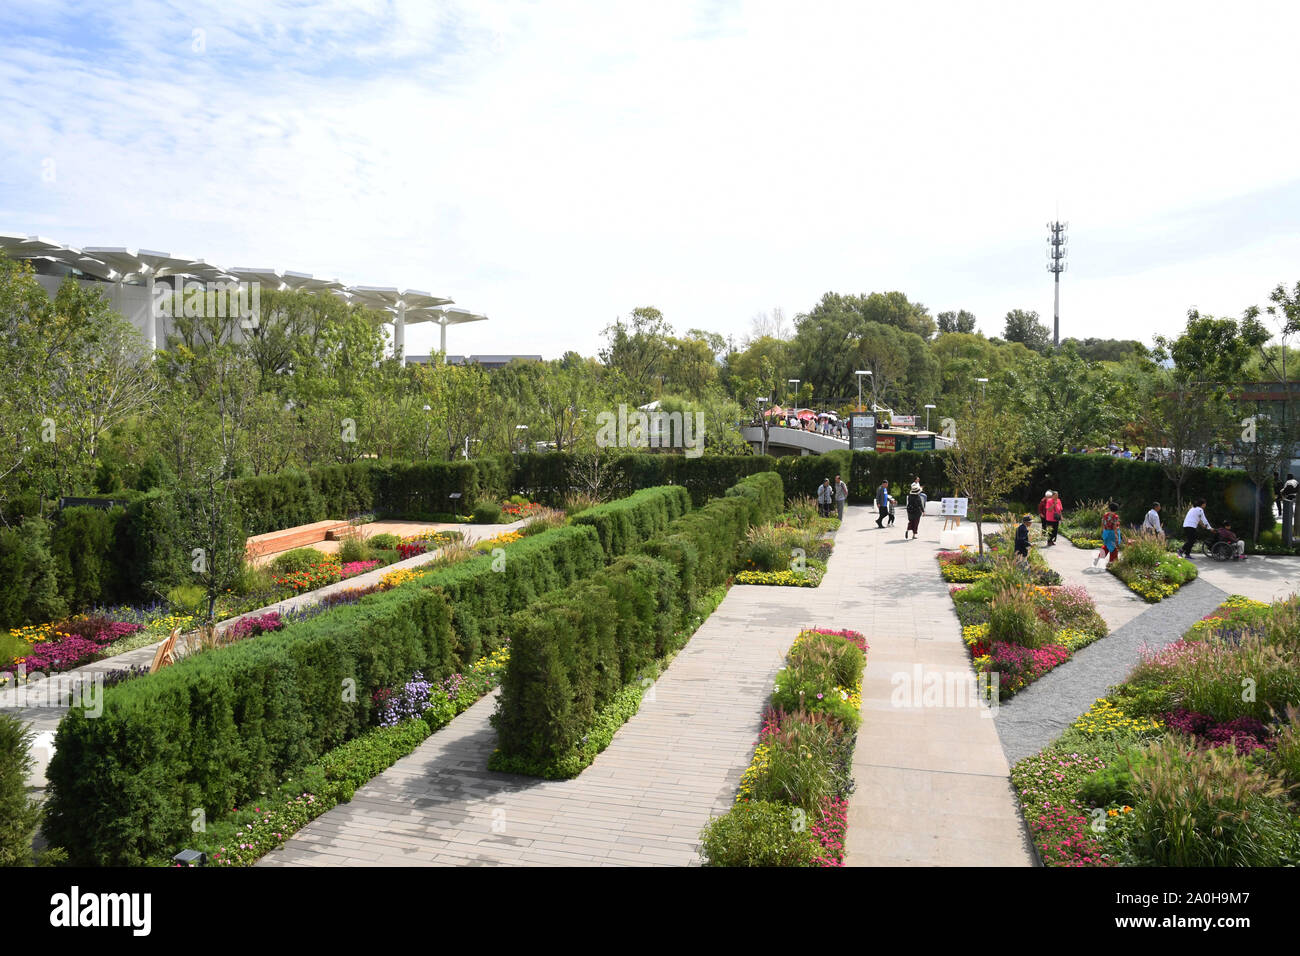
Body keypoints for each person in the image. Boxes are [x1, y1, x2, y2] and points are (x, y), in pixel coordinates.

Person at [1094, 502, 1122, 566]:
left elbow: (1102, 524)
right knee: (1113, 547)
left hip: (1106, 532)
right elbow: (1114, 527)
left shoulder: (1105, 515)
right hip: (1112, 533)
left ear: (1109, 508)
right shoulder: (1115, 516)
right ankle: (1112, 562)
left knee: (1106, 545)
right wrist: (1116, 536)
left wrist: (1104, 531)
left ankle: (1099, 557)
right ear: (1116, 509)